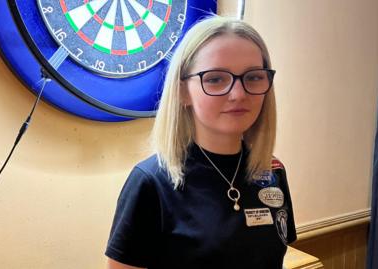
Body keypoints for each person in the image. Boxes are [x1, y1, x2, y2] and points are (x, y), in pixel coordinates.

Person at [105, 15, 297, 269]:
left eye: (253, 77)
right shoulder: (151, 182)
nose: (238, 94)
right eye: (216, 79)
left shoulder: (273, 172)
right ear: (184, 91)